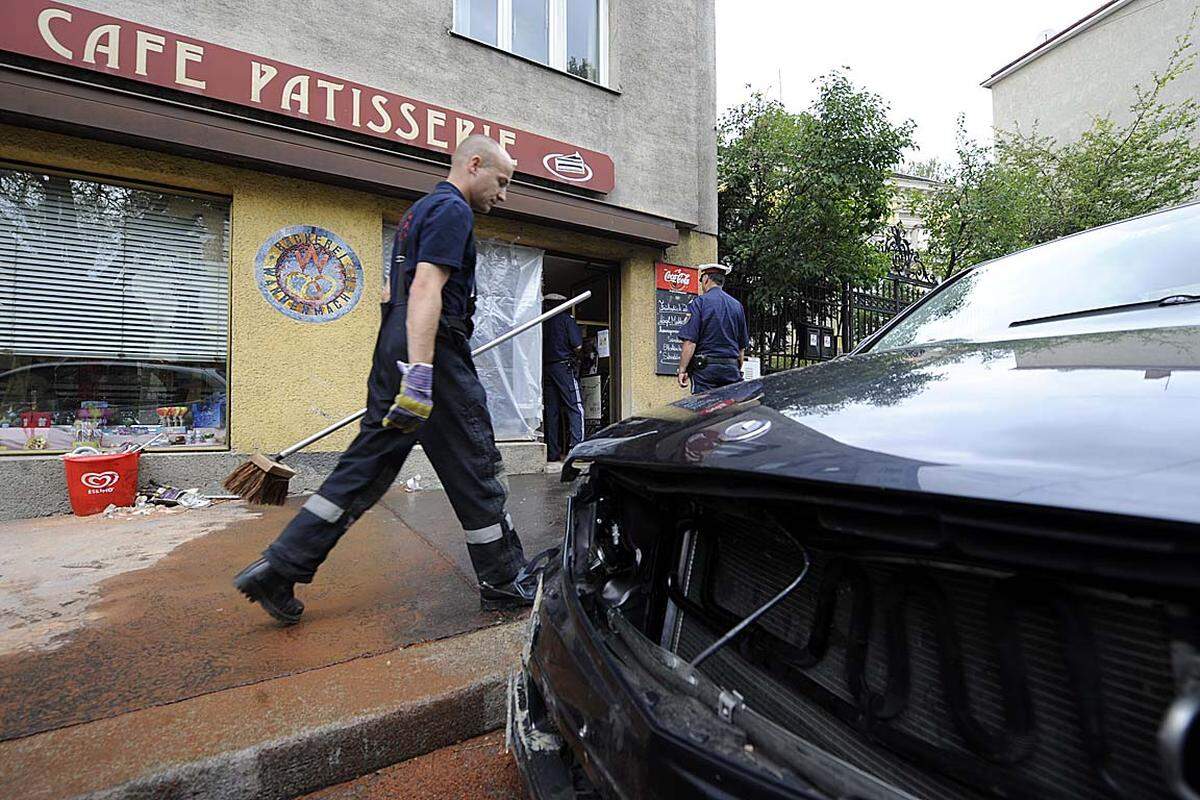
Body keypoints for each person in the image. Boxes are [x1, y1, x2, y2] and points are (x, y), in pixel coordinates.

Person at [234, 135, 541, 625]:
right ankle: (504, 579)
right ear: (474, 165)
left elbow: (387, 292)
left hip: (395, 343)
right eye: (501, 183)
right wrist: (420, 373)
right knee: (475, 462)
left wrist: (395, 365)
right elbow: (425, 287)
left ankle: (281, 566)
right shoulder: (453, 210)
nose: (503, 195)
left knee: (366, 468)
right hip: (432, 351)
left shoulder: (417, 212)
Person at [676, 263, 750, 394]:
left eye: (701, 280)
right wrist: (735, 369)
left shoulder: (699, 303)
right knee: (729, 409)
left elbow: (690, 342)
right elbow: (741, 349)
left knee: (705, 410)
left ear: (706, 279)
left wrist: (682, 370)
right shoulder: (737, 306)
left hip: (706, 372)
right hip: (731, 369)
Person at [541, 293, 584, 462]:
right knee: (576, 406)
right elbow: (578, 344)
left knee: (551, 412)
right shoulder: (566, 319)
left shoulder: (542, 321)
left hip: (546, 368)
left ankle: (552, 453)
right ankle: (577, 450)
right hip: (563, 367)